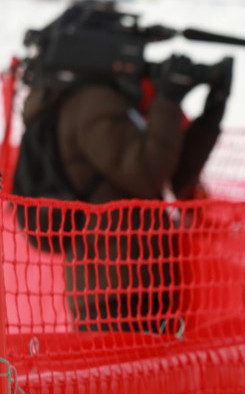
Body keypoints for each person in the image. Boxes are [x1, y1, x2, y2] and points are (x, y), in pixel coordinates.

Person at [14, 1, 232, 333]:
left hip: (137, 283)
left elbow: (170, 176)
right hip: (114, 292)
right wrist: (167, 100)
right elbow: (145, 175)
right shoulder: (91, 103)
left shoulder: (101, 99)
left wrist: (210, 114)